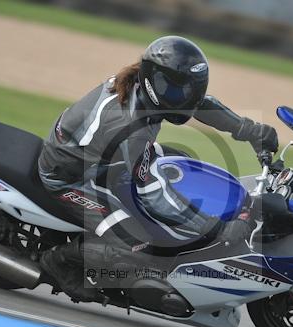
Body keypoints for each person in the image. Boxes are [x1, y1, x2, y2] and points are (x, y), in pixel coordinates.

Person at [38, 36, 278, 301]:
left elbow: (199, 103)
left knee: (182, 164)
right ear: (154, 79)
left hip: (107, 160)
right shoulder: (130, 125)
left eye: (189, 88)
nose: (184, 97)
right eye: (177, 89)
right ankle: (58, 261)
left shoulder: (149, 90)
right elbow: (152, 194)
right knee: (138, 244)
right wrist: (217, 229)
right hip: (72, 178)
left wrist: (250, 131)